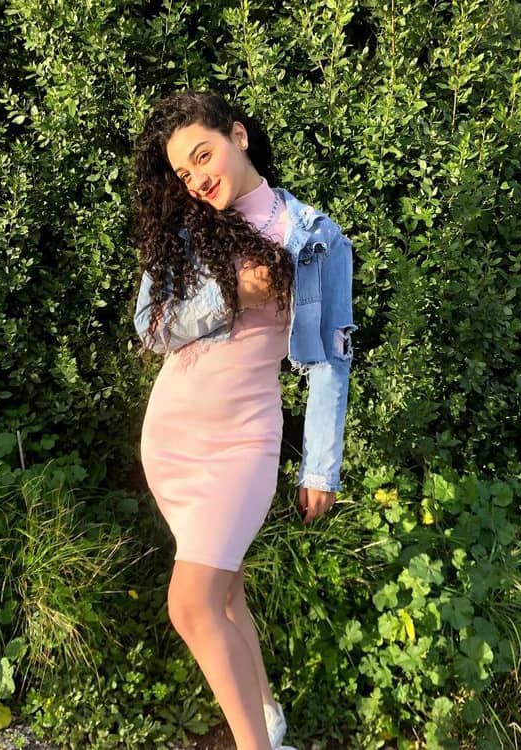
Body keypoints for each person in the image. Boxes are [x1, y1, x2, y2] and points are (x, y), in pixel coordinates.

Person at [129, 89, 357, 750]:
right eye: (183, 172)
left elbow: (330, 360)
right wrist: (231, 295)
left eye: (203, 155)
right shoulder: (187, 230)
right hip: (172, 439)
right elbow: (150, 328)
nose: (197, 179)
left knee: (190, 604)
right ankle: (268, 720)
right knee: (225, 598)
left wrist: (320, 467)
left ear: (238, 136)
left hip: (241, 444)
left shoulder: (316, 239)